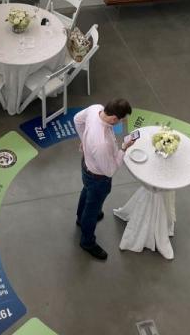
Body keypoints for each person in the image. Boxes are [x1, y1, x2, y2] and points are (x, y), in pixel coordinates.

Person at [73, 98, 133, 260]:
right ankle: (87, 242)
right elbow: (110, 171)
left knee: (86, 191)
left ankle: (80, 218)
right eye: (121, 120)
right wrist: (123, 148)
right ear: (114, 119)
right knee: (92, 211)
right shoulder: (102, 144)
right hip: (98, 178)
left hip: (86, 166)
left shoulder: (95, 109)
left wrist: (84, 142)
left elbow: (77, 119)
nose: (121, 123)